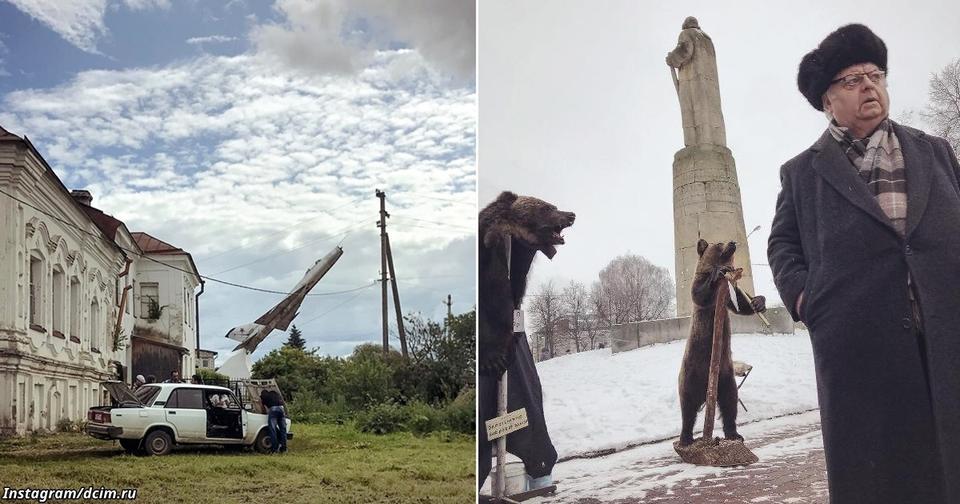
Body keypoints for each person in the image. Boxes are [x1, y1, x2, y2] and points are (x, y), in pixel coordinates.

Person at [768, 23, 960, 504]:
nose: (868, 86)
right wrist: (808, 299)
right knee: (878, 476)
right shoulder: (802, 172)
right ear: (828, 100)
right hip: (859, 347)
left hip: (945, 333)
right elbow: (783, 246)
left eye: (875, 75)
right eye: (851, 81)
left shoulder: (934, 151)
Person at [260, 389, 287, 453]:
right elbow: (281, 400)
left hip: (273, 409)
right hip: (281, 408)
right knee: (283, 430)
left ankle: (274, 448)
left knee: (273, 430)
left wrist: (264, 413)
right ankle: (284, 448)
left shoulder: (264, 397)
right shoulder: (274, 393)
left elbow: (263, 409)